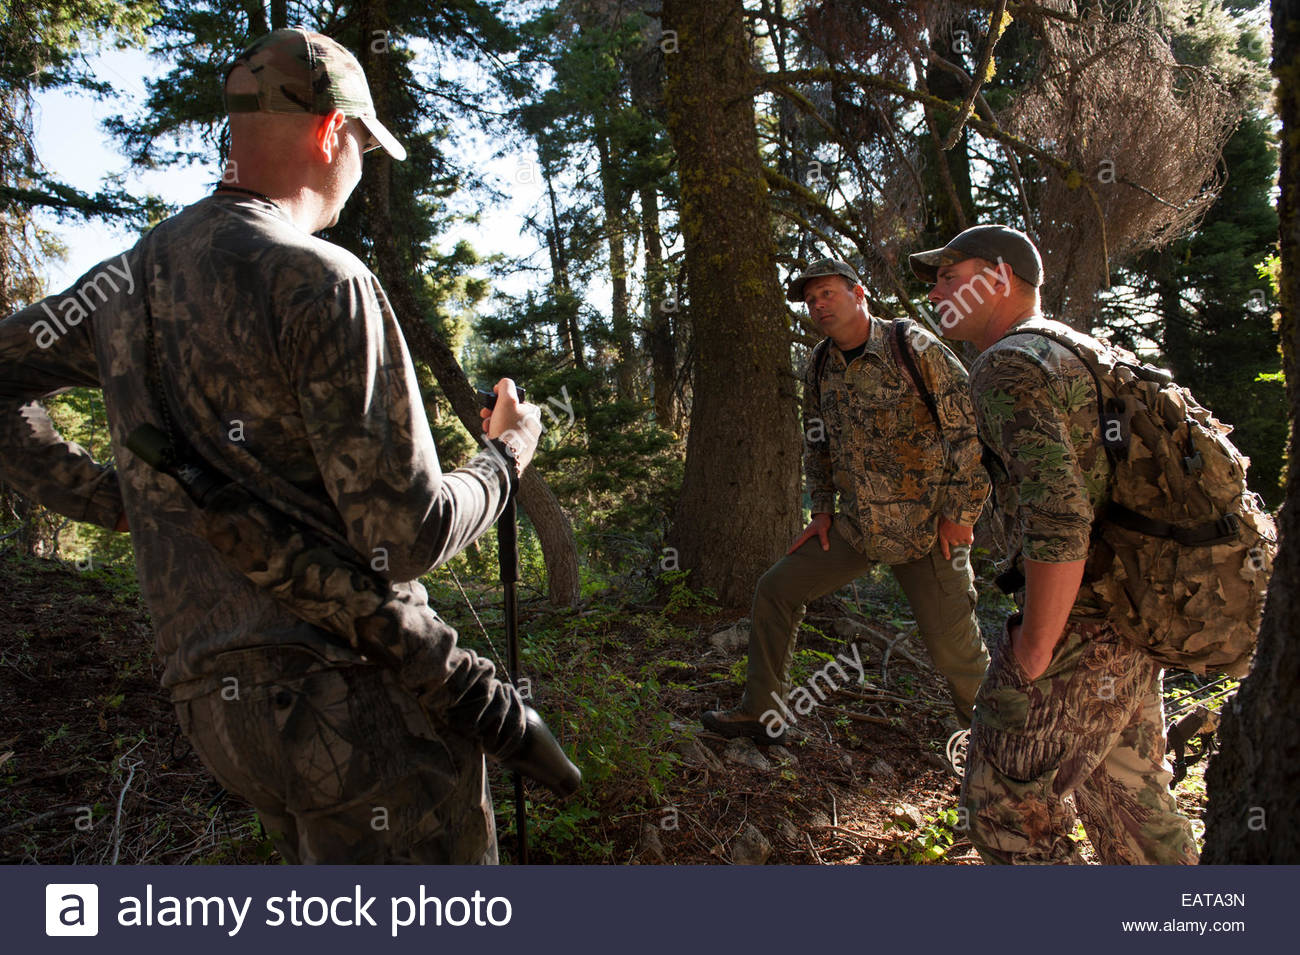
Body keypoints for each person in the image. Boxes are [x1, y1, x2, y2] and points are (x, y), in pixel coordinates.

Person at [0, 28, 576, 864]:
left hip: (214, 705)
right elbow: (404, 536)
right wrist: (506, 456)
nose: (361, 167)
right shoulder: (321, 277)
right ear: (330, 130)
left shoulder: (125, 282)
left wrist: (125, 500)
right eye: (365, 145)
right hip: (360, 701)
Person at [913, 224, 1197, 864]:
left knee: (1004, 811)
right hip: (1127, 619)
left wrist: (1035, 648)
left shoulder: (1007, 364)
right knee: (1133, 803)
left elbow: (1059, 514)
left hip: (1080, 628)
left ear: (999, 279)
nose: (935, 293)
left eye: (949, 278)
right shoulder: (1077, 349)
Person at [702, 258, 990, 743]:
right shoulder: (818, 365)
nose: (817, 306)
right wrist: (822, 511)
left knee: (954, 654)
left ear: (859, 294)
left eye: (827, 294)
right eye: (811, 300)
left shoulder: (912, 346)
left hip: (927, 532)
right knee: (776, 589)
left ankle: (1001, 753)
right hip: (857, 528)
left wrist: (961, 516)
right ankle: (761, 713)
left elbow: (971, 432)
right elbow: (817, 443)